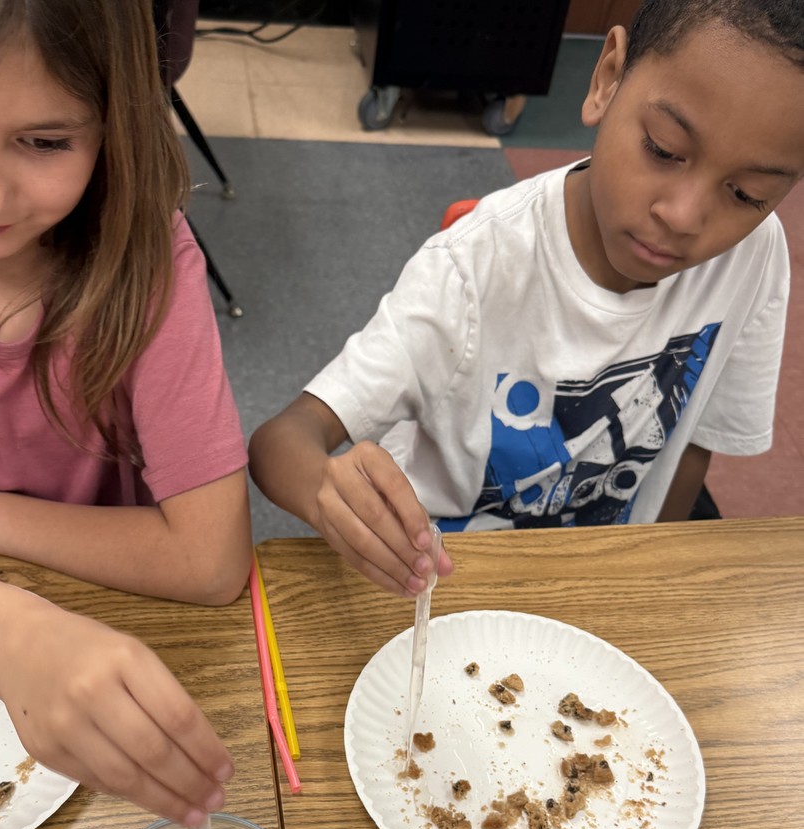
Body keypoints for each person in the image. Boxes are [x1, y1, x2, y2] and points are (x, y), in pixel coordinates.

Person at [249, 0, 804, 599]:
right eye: (664, 149)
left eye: (746, 194)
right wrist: (326, 489)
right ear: (606, 79)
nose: (683, 216)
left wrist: (648, 578)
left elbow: (693, 442)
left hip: (601, 578)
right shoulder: (471, 269)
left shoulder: (753, 257)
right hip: (443, 578)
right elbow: (281, 441)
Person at [0, 0, 253, 825]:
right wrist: (12, 639)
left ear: (114, 121)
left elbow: (210, 561)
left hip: (99, 635)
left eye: (45, 142)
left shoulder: (148, 261)